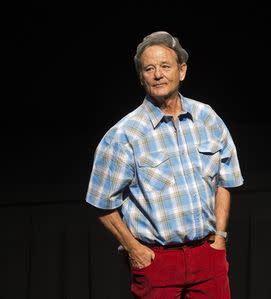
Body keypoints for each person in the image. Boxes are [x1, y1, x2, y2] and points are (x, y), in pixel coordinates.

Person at [85, 30, 244, 299]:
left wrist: (220, 237)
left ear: (181, 71)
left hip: (207, 255)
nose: (158, 74)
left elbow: (225, 181)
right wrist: (134, 250)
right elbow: (101, 203)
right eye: (149, 68)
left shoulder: (207, 118)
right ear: (141, 77)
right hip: (156, 262)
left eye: (165, 66)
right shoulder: (124, 135)